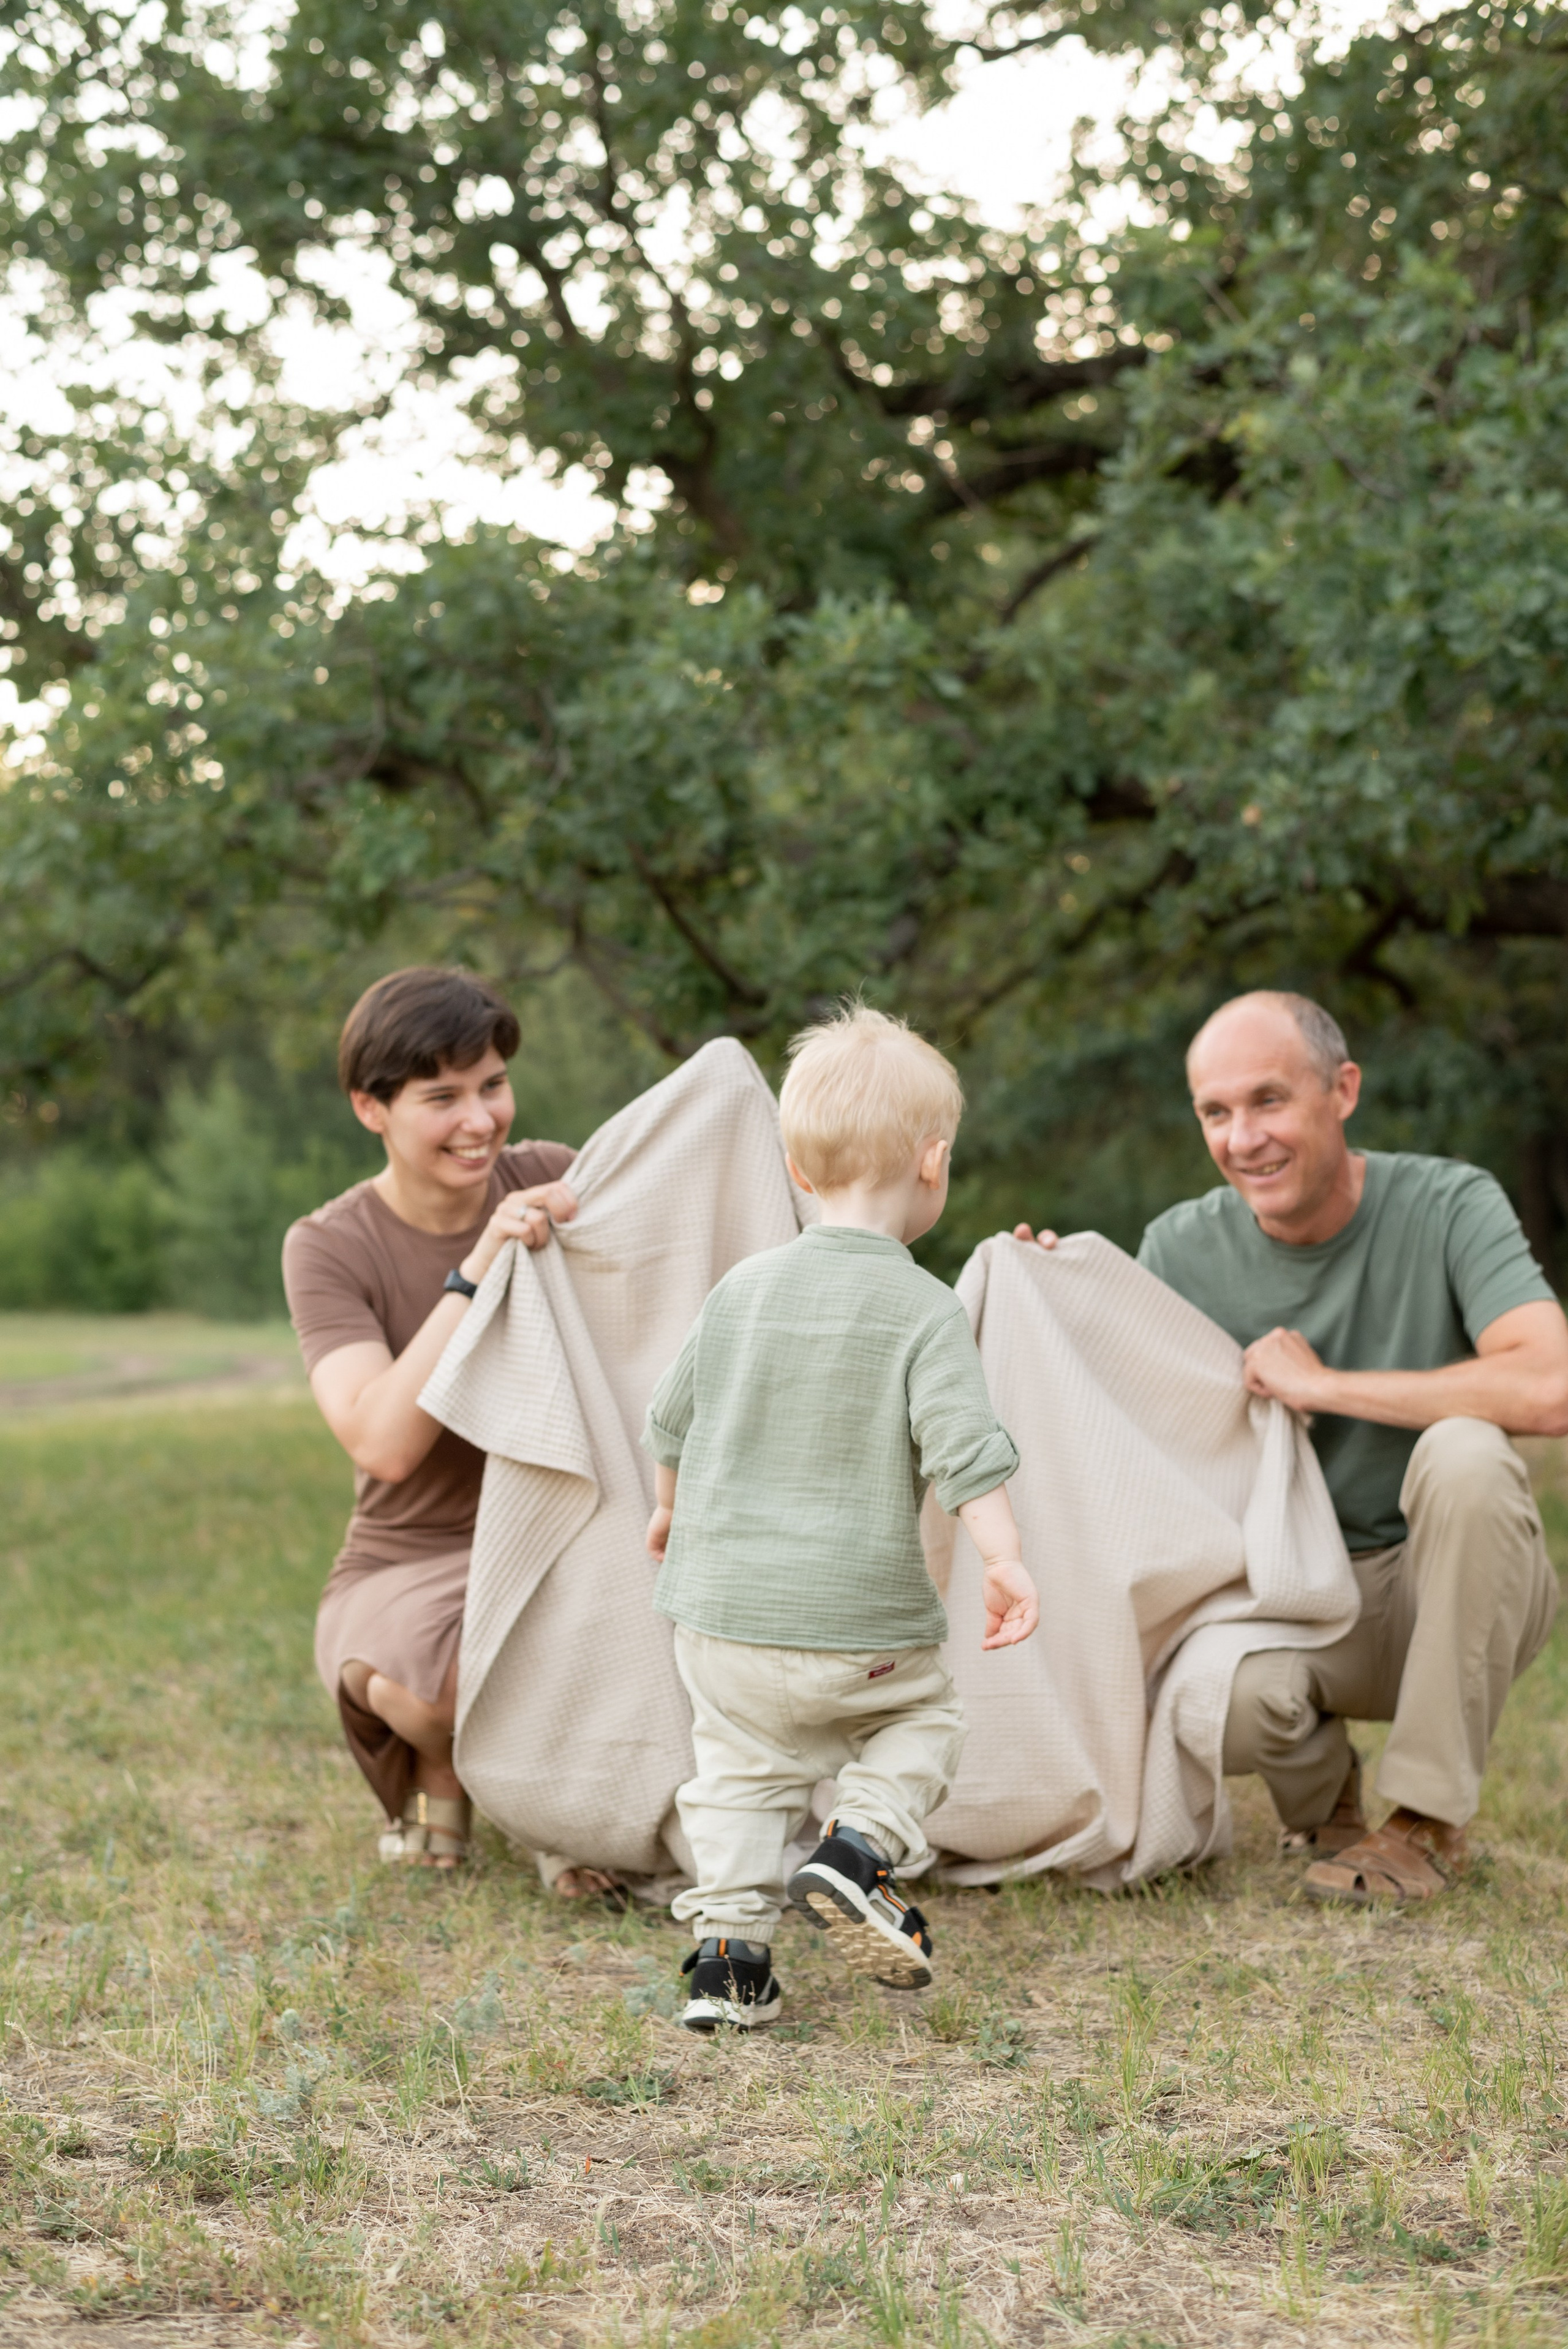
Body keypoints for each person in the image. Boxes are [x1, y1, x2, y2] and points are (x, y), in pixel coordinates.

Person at [1017, 990, 1568, 1905]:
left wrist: (1328, 1387)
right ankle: (1327, 1807)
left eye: (1269, 1100)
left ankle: (1426, 1826)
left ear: (1342, 1090)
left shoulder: (1449, 1203)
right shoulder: (1181, 1249)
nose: (1244, 1138)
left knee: (1466, 1452)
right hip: (1293, 1595)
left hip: (1454, 1586)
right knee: (1227, 1705)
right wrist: (1052, 1304)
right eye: (1216, 1112)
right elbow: (1120, 1441)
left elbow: (1550, 1386)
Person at [643, 1003, 1039, 2032]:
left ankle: (727, 1967)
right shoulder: (925, 1308)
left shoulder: (739, 1289)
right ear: (934, 1163)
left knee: (736, 1773)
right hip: (857, 1623)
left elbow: (671, 1418)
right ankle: (858, 1847)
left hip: (720, 1616)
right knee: (924, 1717)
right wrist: (1004, 1558)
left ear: (798, 1171)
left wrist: (667, 1510)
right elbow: (966, 1450)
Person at [282, 965, 612, 1890]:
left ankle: (565, 1819)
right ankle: (446, 1765)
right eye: (443, 1097)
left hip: (561, 1535)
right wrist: (479, 1265)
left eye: (494, 1086)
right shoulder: (328, 1246)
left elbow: (711, 1235)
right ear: (370, 1108)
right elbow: (381, 1441)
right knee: (449, 1699)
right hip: (409, 1556)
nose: (481, 1121)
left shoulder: (553, 1175)